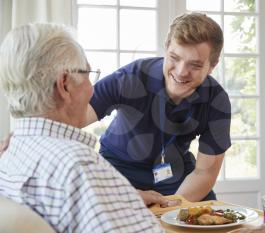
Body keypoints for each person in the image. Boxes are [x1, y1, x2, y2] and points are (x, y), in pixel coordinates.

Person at [0, 23, 165, 233]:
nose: (92, 90)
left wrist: (115, 198)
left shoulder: (9, 153)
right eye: (88, 74)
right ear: (65, 84)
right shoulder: (79, 167)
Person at [85, 12, 231, 202]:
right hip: (119, 169)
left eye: (194, 65)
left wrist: (168, 207)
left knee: (211, 223)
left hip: (175, 174)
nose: (181, 72)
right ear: (166, 47)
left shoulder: (217, 100)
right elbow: (72, 116)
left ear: (212, 65)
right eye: (174, 58)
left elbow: (204, 174)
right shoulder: (131, 77)